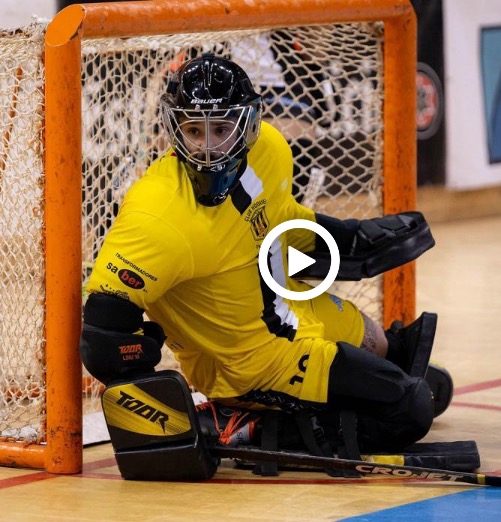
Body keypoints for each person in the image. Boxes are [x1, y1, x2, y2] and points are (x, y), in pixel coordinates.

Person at [80, 54, 451, 479]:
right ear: (174, 128)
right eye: (194, 130)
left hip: (286, 312)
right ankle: (236, 424)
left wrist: (351, 239)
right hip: (247, 366)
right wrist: (161, 411)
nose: (207, 147)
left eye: (222, 129)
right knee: (409, 410)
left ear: (249, 125)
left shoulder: (270, 150)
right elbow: (103, 332)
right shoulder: (156, 216)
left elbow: (279, 220)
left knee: (390, 350)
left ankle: (348, 395)